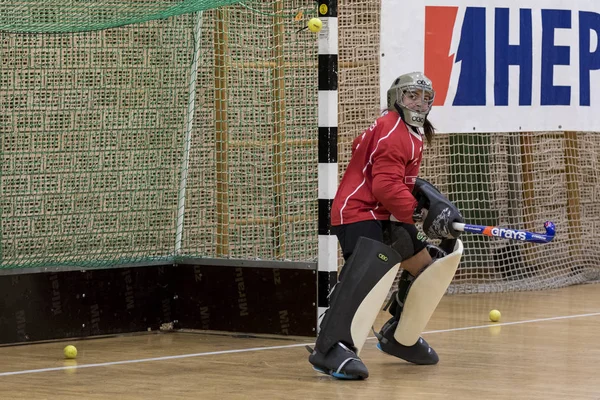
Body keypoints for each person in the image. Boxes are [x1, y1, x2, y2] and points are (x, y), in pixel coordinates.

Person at [307, 72, 465, 380]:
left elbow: (385, 171)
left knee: (427, 267)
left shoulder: (403, 129)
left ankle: (399, 336)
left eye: (425, 98)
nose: (419, 102)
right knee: (365, 277)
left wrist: (418, 199)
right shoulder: (393, 130)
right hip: (359, 213)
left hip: (383, 214)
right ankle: (329, 348)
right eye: (412, 95)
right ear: (397, 98)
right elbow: (384, 185)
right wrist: (417, 212)